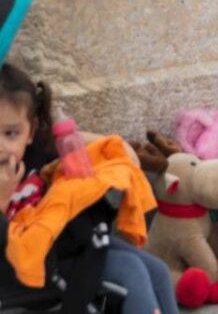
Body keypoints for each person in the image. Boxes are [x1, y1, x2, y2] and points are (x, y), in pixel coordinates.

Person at [0, 64, 178, 312]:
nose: (2, 146)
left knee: (157, 270)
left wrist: (70, 135)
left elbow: (118, 154)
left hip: (69, 246)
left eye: (11, 133)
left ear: (30, 131)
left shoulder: (36, 154)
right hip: (30, 270)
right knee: (130, 270)